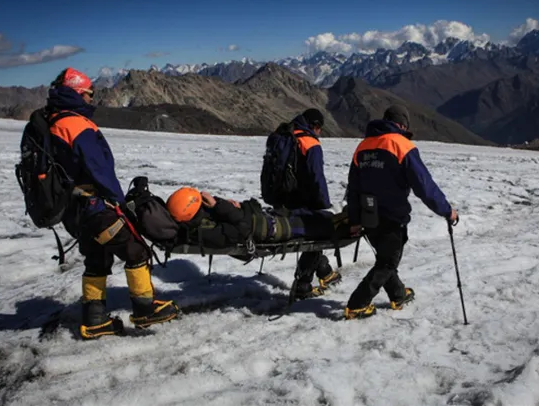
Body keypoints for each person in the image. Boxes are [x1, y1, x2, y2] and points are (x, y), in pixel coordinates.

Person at [47, 68, 179, 339]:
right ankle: (145, 310)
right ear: (77, 93)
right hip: (95, 207)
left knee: (97, 259)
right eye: (88, 94)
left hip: (74, 211)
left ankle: (95, 319)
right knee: (136, 251)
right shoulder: (76, 124)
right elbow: (100, 169)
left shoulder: (51, 121)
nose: (91, 99)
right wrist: (119, 203)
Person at [344, 105, 459, 320]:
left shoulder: (363, 146)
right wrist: (447, 211)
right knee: (387, 262)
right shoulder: (401, 145)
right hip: (392, 215)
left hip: (369, 215)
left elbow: (353, 187)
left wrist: (355, 219)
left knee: (385, 257)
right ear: (402, 125)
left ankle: (398, 295)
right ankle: (357, 304)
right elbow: (424, 185)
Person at [271, 109, 342, 300]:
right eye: (319, 128)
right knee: (320, 229)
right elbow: (317, 177)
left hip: (280, 200)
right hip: (300, 203)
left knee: (314, 230)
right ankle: (302, 285)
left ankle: (325, 272)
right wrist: (324, 203)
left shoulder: (284, 135)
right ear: (314, 125)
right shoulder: (309, 143)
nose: (319, 132)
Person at [165, 187, 341, 248]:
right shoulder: (207, 230)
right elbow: (242, 230)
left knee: (308, 215)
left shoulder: (199, 217)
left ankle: (336, 219)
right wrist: (222, 206)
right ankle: (343, 225)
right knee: (317, 225)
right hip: (266, 228)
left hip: (261, 219)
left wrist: (220, 205)